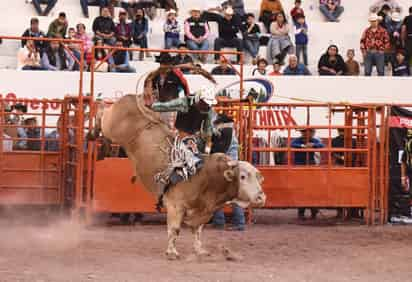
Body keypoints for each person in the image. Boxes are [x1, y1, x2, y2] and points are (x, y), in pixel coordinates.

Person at [211, 114, 245, 231]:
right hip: (231, 167)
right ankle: (232, 222)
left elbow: (219, 150)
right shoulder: (231, 133)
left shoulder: (226, 133)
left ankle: (222, 221)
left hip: (227, 168)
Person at [291, 128, 324, 220]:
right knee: (302, 189)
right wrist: (303, 146)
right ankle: (302, 212)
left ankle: (313, 211)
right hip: (301, 166)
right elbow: (292, 144)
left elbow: (321, 145)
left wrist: (313, 145)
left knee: (312, 189)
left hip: (309, 166)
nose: (308, 134)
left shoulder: (313, 140)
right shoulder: (298, 140)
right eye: (305, 132)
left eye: (310, 132)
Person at [332, 128, 359, 219]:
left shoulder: (352, 140)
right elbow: (332, 152)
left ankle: (350, 212)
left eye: (343, 130)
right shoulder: (335, 140)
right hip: (341, 166)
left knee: (347, 189)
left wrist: (347, 158)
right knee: (339, 189)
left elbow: (356, 153)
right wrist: (342, 157)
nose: (342, 132)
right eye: (341, 131)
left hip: (349, 166)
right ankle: (341, 211)